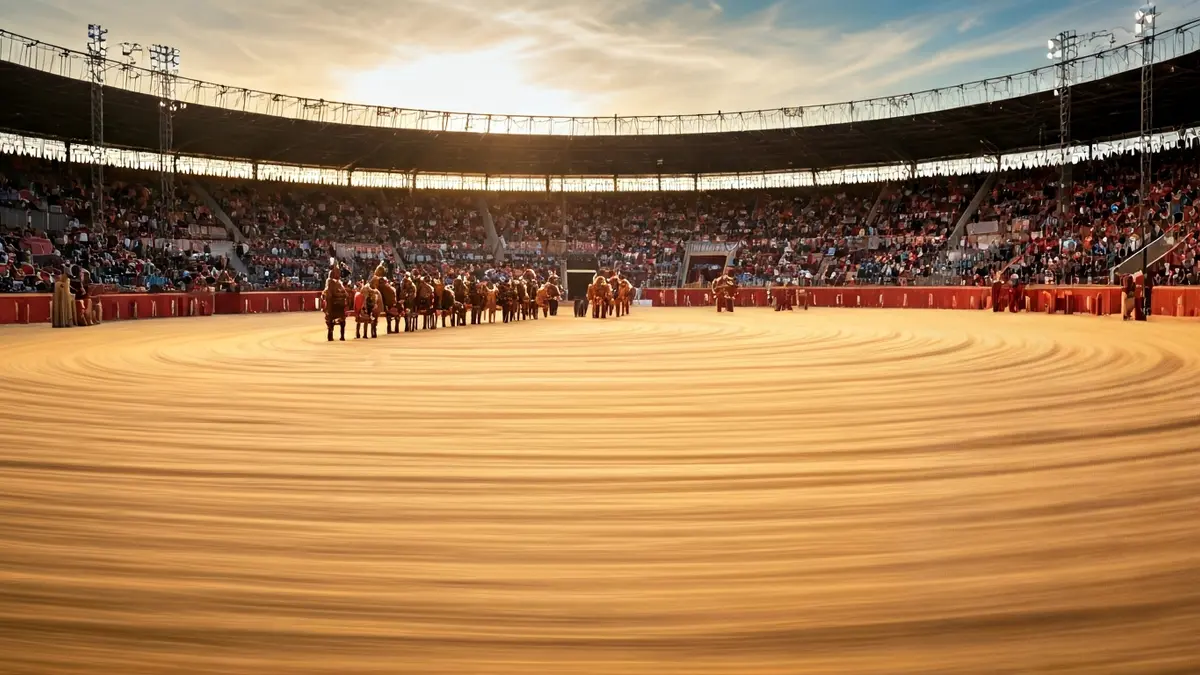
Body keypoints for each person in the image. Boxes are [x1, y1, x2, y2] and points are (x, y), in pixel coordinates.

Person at [322, 268, 349, 342]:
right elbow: (333, 294)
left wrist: (341, 294)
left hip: (337, 305)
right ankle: (337, 336)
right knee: (335, 321)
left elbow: (345, 293)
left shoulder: (338, 283)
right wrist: (341, 294)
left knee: (338, 321)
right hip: (334, 305)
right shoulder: (332, 283)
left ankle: (338, 335)